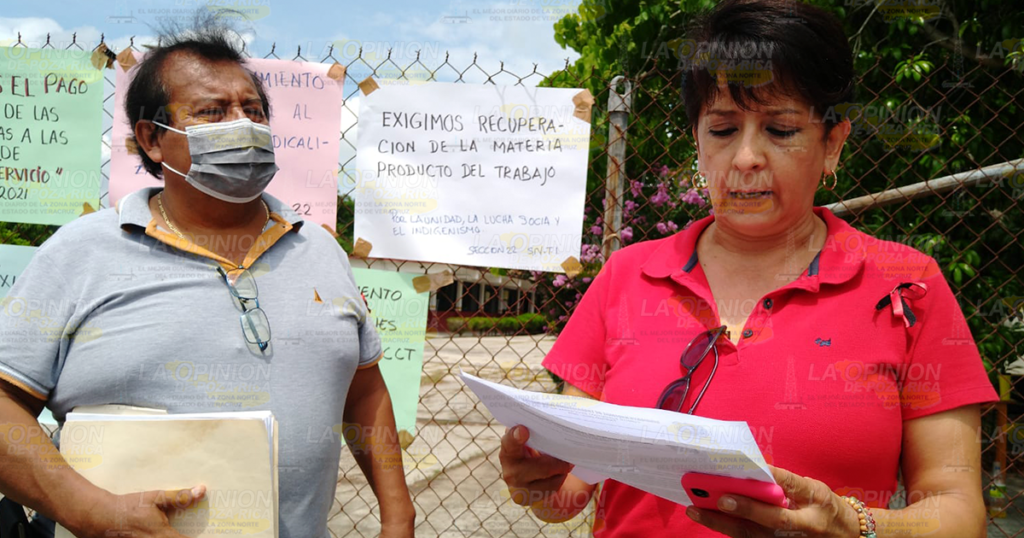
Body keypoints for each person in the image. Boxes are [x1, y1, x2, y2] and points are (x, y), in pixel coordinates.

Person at [499, 0, 997, 536]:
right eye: (722, 130)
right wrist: (540, 484)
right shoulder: (628, 275)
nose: (745, 158)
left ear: (832, 144)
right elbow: (571, 490)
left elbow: (957, 509)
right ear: (697, 138)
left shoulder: (905, 283)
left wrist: (853, 526)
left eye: (781, 130)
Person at [0, 24, 414, 538]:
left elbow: (363, 387)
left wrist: (398, 515)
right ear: (152, 139)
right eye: (213, 112)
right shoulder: (81, 252)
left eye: (254, 111)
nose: (243, 126)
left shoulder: (320, 249)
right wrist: (87, 510)